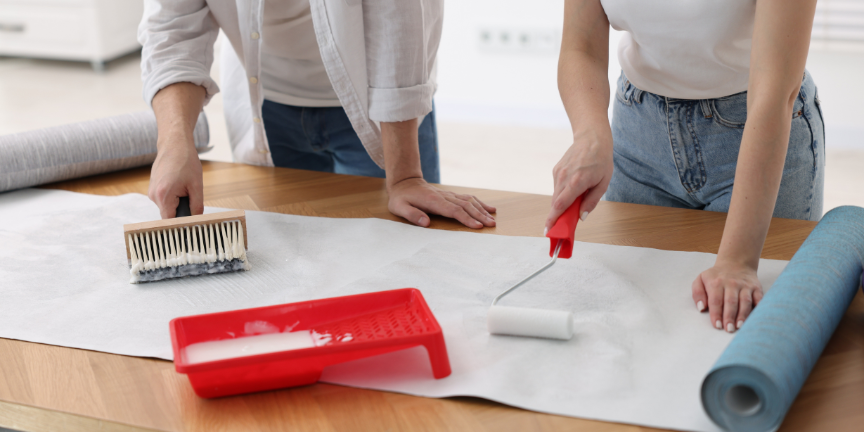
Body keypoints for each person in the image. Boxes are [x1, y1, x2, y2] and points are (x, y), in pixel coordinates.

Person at [549, 0, 823, 332]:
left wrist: (737, 261)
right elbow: (582, 46)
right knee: (636, 312)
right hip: (639, 134)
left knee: (756, 327)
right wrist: (590, 134)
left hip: (756, 130)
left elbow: (774, 93)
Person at [139, 0, 496, 230]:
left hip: (381, 110)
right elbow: (173, 28)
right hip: (268, 104)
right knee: (293, 252)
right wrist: (174, 144)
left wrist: (405, 176)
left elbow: (396, 16)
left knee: (406, 246)